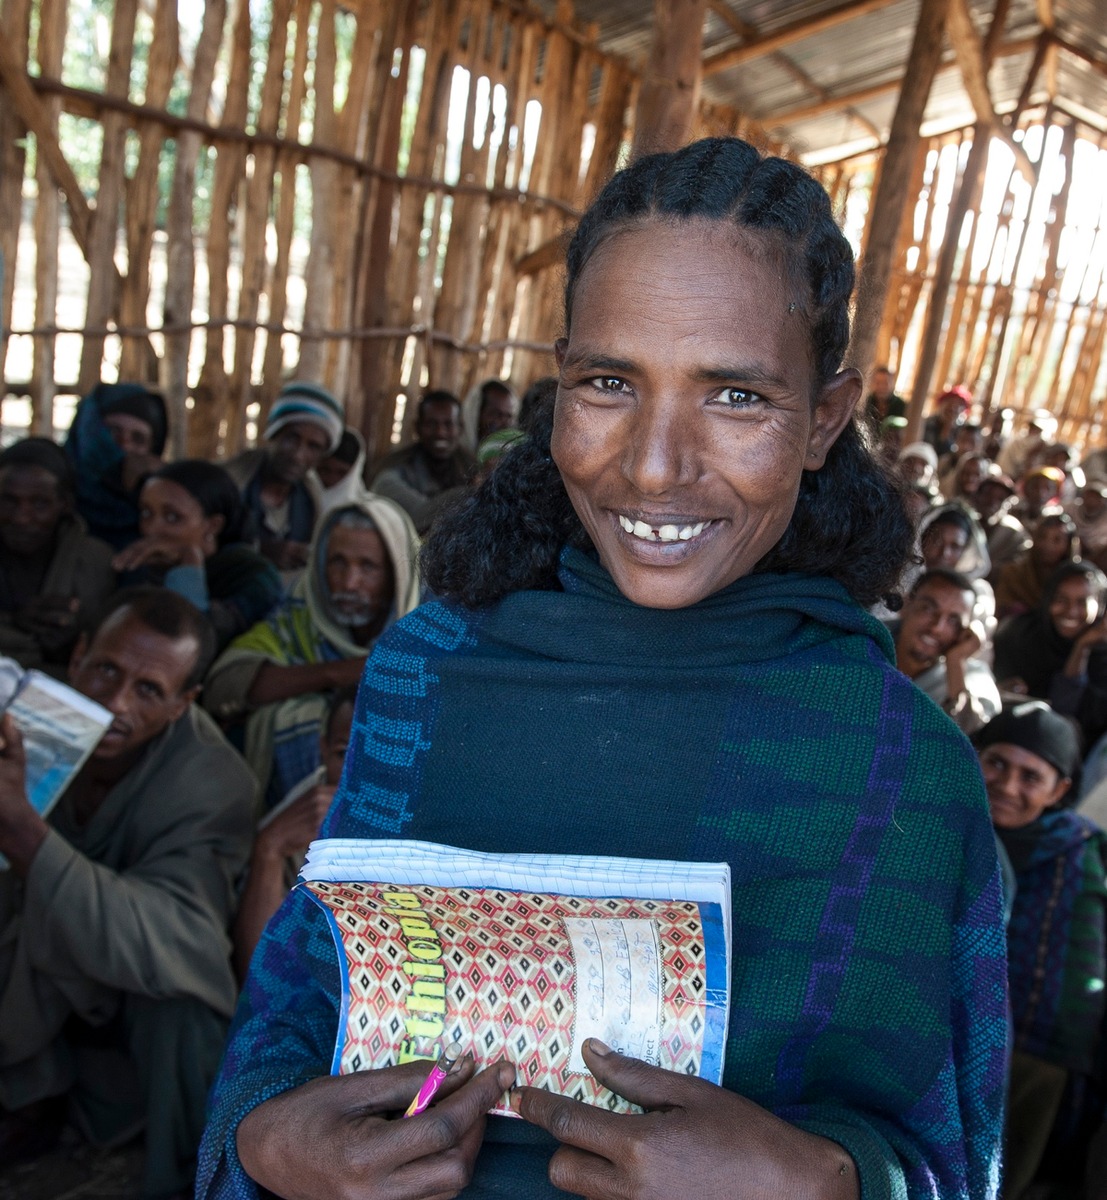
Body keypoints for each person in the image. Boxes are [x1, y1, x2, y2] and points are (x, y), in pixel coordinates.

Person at [198, 137, 1005, 1200]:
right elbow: (306, 1003)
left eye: (737, 398)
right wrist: (267, 1140)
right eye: (610, 382)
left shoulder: (903, 770)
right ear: (560, 384)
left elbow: (950, 1151)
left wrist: (826, 1180)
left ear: (825, 420)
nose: (654, 464)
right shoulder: (427, 675)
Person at [0, 588, 256, 1198]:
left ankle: (187, 1176)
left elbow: (179, 939)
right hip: (27, 964)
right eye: (106, 670)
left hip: (129, 989)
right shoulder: (22, 724)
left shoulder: (214, 783)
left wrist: (24, 833)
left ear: (182, 706)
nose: (114, 704)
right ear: (80, 655)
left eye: (148, 690)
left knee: (187, 1005)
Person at [203, 496, 420, 807]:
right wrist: (339, 673)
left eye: (368, 567)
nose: (348, 582)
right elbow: (226, 684)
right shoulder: (302, 613)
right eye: (338, 562)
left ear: (397, 575)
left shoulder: (429, 636)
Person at [975, 704, 1107, 1199]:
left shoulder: (1080, 855)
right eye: (997, 763)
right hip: (942, 1039)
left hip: (1039, 1056)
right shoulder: (942, 828)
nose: (1008, 786)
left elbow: (1080, 969)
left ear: (1060, 791)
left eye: (1031, 776)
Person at [231, 688, 356, 980]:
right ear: (323, 750)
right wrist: (270, 851)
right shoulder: (301, 824)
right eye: (343, 754)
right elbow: (260, 975)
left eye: (381, 756)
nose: (360, 773)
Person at [110, 460, 283, 653]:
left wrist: (188, 566)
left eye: (172, 517)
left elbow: (192, 643)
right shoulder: (138, 564)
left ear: (213, 525)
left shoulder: (254, 576)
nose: (152, 528)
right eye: (146, 513)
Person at [0, 438, 115, 675]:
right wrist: (13, 622)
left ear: (64, 503)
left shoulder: (94, 561)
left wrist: (70, 639)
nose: (21, 517)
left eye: (40, 504)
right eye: (8, 501)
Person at [225, 381, 344, 573]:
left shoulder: (312, 501)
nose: (298, 455)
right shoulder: (229, 484)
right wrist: (257, 550)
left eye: (313, 447)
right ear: (273, 434)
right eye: (291, 438)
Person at [994, 561, 1107, 749]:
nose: (1071, 611)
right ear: (1047, 599)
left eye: (1082, 602)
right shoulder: (1018, 635)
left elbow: (1066, 718)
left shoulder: (1102, 659)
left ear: (1101, 604)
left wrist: (1082, 648)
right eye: (1061, 600)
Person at [63, 382, 168, 550]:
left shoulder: (161, 514)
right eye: (113, 431)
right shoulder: (52, 495)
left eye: (138, 438)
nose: (124, 446)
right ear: (88, 431)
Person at [893, 570, 1000, 734]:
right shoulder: (866, 640)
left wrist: (956, 663)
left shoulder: (972, 675)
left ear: (965, 630)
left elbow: (975, 735)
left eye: (953, 621)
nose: (937, 628)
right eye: (928, 609)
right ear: (906, 605)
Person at [368, 390, 476, 533]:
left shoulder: (473, 467)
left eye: (448, 424)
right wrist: (473, 493)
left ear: (460, 428)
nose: (440, 432)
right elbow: (419, 516)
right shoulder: (393, 472)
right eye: (431, 424)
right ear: (417, 427)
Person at [994, 511, 1077, 619]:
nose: (1048, 545)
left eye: (1057, 540)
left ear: (1068, 546)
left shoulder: (1075, 583)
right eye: (1042, 537)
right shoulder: (1013, 574)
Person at [976, 469, 1030, 580]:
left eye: (1000, 498)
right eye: (988, 494)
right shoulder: (966, 522)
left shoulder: (1014, 531)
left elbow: (1020, 562)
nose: (992, 502)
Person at [461, 378, 519, 451]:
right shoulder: (455, 457)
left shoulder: (515, 457)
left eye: (509, 416)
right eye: (496, 414)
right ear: (476, 414)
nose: (505, 423)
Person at [922, 386, 972, 457]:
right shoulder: (926, 423)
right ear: (941, 404)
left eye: (958, 404)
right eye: (950, 402)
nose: (953, 407)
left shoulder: (964, 431)